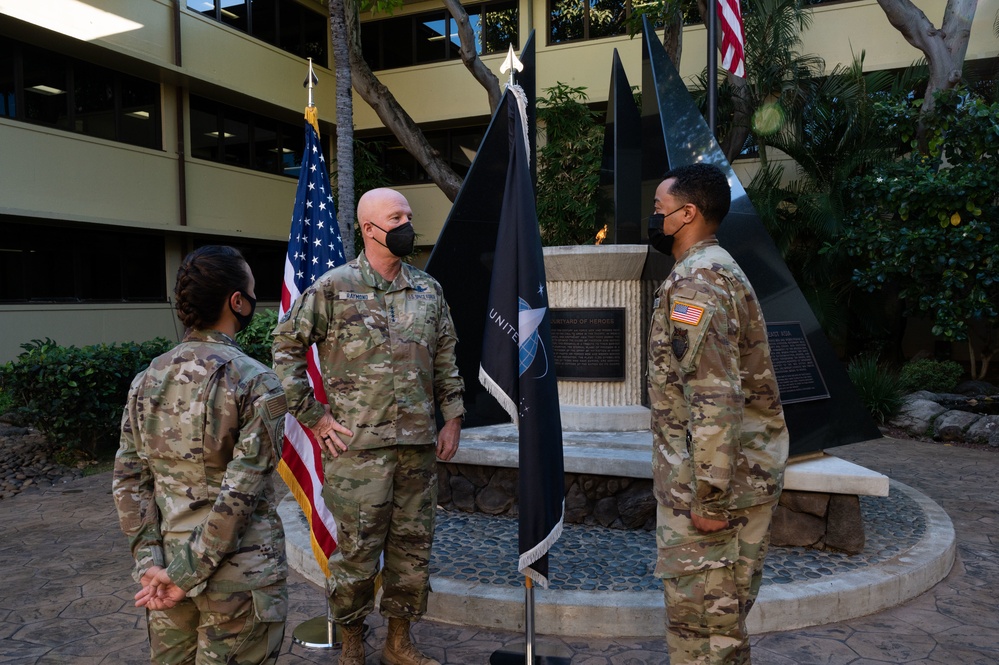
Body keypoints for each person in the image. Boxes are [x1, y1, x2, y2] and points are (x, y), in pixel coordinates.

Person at [272, 187, 465, 665]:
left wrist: (453, 417)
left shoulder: (428, 289)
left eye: (408, 215)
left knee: (412, 551)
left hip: (417, 446)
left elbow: (445, 358)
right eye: (396, 216)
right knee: (357, 555)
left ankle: (398, 643)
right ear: (369, 228)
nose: (407, 224)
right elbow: (285, 348)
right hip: (358, 451)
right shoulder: (334, 287)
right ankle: (353, 642)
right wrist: (313, 416)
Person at [113, 245, 289, 664]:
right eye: (250, 289)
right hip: (236, 581)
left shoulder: (146, 378)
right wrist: (181, 575)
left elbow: (128, 481)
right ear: (236, 301)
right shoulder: (256, 381)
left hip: (167, 571)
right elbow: (239, 495)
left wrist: (152, 567)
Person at [646, 163, 789, 664]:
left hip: (711, 496)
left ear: (687, 214)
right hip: (733, 481)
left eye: (660, 210)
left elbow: (714, 395)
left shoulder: (698, 281)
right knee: (719, 629)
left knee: (704, 635)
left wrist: (708, 496)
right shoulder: (718, 270)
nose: (654, 218)